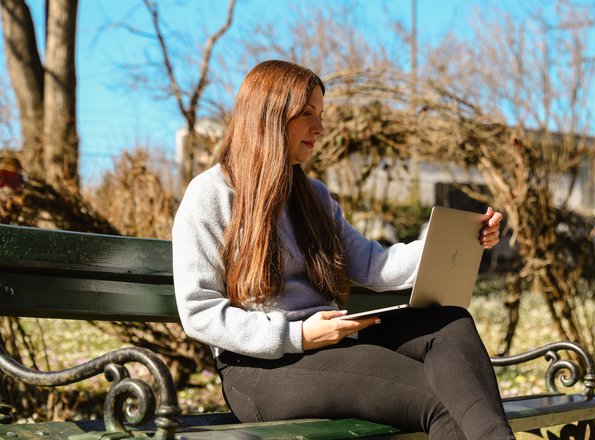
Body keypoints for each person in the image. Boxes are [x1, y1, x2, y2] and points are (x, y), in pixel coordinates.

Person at [172, 60, 514, 440]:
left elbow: (371, 264)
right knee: (440, 398)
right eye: (306, 115)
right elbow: (198, 312)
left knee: (451, 324)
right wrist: (298, 335)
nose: (319, 127)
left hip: (332, 343)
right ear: (269, 116)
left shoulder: (313, 197)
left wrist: (458, 241)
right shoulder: (212, 194)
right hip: (261, 370)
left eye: (320, 114)